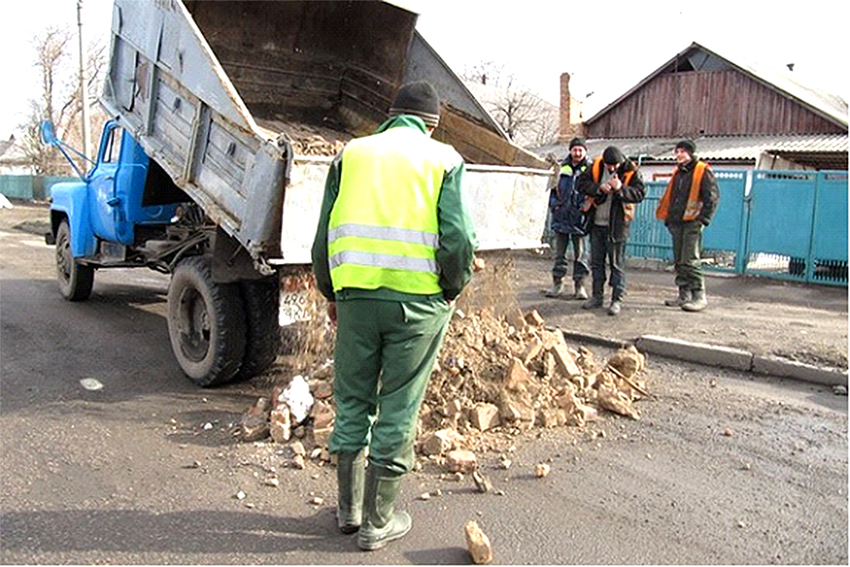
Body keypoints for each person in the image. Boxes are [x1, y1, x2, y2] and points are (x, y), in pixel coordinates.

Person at [310, 81, 477, 551]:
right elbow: (459, 238)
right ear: (431, 124)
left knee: (353, 400)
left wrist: (331, 291)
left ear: (390, 115)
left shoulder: (351, 155)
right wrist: (451, 287)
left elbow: (323, 234)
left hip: (356, 301)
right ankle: (377, 522)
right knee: (398, 407)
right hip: (418, 306)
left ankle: (348, 511)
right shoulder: (443, 159)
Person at [576, 145, 645, 316]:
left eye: (615, 166)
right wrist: (598, 188)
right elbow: (581, 184)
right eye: (609, 165)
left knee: (616, 264)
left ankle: (616, 299)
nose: (612, 168)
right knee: (597, 263)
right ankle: (597, 297)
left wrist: (620, 188)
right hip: (597, 224)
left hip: (618, 226)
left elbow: (639, 194)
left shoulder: (631, 171)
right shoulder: (596, 166)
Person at [655, 139, 720, 312]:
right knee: (679, 260)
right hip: (677, 222)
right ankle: (683, 294)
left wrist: (703, 219)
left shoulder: (702, 170)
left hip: (692, 222)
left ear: (690, 153)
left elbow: (712, 198)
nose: (678, 155)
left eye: (682, 151)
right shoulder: (678, 172)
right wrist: (668, 218)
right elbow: (672, 197)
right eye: (676, 152)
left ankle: (699, 295)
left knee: (690, 260)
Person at [543, 137, 591, 299]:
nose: (577, 153)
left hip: (580, 219)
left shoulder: (590, 169)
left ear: (585, 151)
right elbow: (550, 189)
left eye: (580, 150)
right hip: (561, 216)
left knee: (580, 255)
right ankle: (557, 284)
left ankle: (580, 287)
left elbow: (593, 191)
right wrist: (555, 205)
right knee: (559, 254)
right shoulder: (561, 168)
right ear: (570, 150)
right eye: (575, 149)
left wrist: (585, 208)